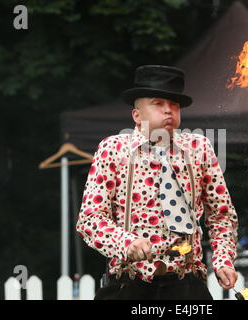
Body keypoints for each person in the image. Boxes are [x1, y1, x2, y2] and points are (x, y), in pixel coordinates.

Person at [76, 65, 239, 300]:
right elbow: (90, 219)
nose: (168, 111)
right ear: (136, 115)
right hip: (129, 284)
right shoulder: (113, 149)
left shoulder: (199, 149)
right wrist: (126, 243)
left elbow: (221, 215)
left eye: (174, 105)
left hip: (186, 285)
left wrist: (223, 259)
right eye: (158, 104)